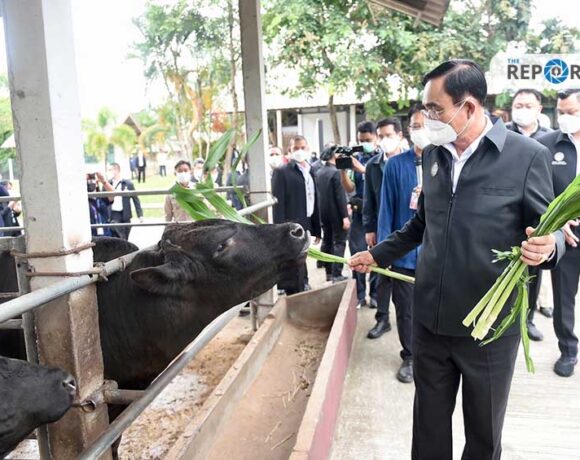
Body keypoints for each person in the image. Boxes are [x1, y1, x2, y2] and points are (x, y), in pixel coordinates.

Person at [349, 59, 564, 459]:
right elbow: (421, 224)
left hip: (489, 326)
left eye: (435, 109)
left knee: (483, 434)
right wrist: (376, 254)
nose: (427, 118)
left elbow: (550, 229)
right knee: (428, 429)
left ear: (468, 107)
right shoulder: (434, 155)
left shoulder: (526, 156)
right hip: (430, 320)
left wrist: (549, 247)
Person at [375, 105, 428, 383]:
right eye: (416, 126)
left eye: (426, 125)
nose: (421, 131)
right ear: (408, 131)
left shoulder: (446, 161)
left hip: (438, 254)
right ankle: (410, 356)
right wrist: (383, 255)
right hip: (405, 254)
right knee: (406, 310)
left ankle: (432, 355)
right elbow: (385, 211)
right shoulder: (395, 166)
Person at [537, 88, 580, 377]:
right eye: (560, 112)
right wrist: (555, 219)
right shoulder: (546, 145)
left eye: (571, 112)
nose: (564, 117)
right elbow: (537, 190)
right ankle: (568, 350)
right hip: (565, 234)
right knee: (564, 296)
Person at [506, 89, 555, 340]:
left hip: (538, 214)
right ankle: (507, 319)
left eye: (528, 105)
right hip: (509, 214)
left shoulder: (549, 139)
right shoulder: (502, 136)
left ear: (539, 109)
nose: (522, 110)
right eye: (518, 105)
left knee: (534, 271)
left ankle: (528, 320)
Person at [364, 117, 404, 338]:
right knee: (381, 275)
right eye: (381, 136)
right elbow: (369, 200)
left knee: (406, 277)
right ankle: (382, 318)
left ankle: (410, 320)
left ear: (399, 135)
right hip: (383, 227)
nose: (384, 140)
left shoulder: (415, 161)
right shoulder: (373, 165)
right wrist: (370, 229)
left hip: (408, 227)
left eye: (389, 135)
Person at [272, 135, 321, 294]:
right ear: (289, 150)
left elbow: (314, 198)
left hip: (307, 221)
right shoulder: (282, 172)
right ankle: (294, 290)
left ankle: (303, 284)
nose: (300, 151)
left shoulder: (311, 170)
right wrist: (280, 231)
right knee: (294, 261)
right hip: (291, 226)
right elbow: (278, 205)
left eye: (302, 148)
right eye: (296, 148)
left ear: (308, 149)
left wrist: (316, 228)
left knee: (302, 256)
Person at [340, 121, 380, 309]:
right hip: (358, 214)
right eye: (360, 140)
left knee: (377, 255)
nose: (364, 144)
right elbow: (350, 188)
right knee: (357, 254)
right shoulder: (356, 158)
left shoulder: (382, 159)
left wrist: (363, 170)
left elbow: (382, 181)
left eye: (367, 140)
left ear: (375, 138)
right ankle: (360, 295)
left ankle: (375, 295)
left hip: (377, 214)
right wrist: (343, 169)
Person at [316, 145, 350, 282]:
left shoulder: (320, 171)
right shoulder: (336, 172)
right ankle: (337, 273)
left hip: (324, 212)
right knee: (339, 242)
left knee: (327, 241)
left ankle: (329, 272)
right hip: (336, 212)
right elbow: (340, 196)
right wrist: (345, 216)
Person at [106, 163, 143, 240]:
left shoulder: (128, 184)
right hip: (114, 214)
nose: (109, 172)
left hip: (125, 214)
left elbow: (135, 199)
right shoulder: (107, 184)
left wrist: (140, 215)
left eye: (110, 170)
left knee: (126, 237)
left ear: (116, 170)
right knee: (118, 235)